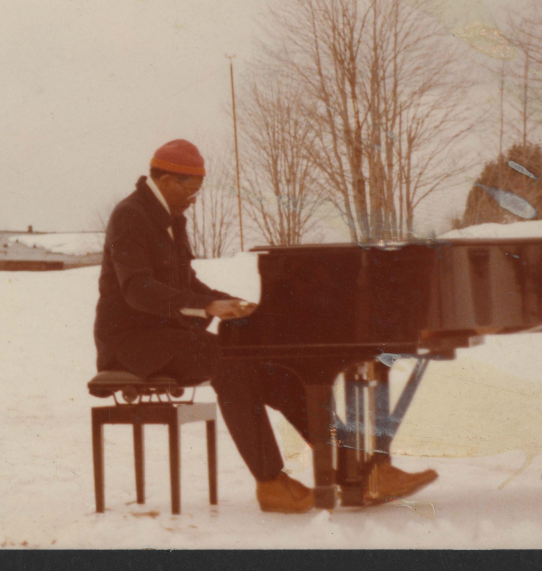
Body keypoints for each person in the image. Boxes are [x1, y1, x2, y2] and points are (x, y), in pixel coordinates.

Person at [93, 138, 437, 513]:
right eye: (191, 190)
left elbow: (185, 282)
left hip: (170, 337)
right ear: (166, 180)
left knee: (284, 374)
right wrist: (206, 305)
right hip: (133, 343)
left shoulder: (170, 220)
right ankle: (270, 483)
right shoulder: (130, 215)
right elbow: (136, 290)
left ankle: (361, 472)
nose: (194, 198)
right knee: (230, 363)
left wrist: (234, 303)